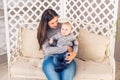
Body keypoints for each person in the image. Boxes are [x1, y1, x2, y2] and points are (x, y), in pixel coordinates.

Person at [37, 9, 78, 80]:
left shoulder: (64, 26)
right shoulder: (43, 32)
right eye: (52, 23)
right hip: (50, 58)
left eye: (56, 20)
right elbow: (48, 50)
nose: (56, 24)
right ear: (46, 23)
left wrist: (74, 53)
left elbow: (73, 41)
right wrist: (66, 48)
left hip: (66, 57)